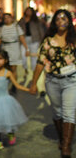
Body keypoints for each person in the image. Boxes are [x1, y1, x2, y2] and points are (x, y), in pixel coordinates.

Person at [30, 9, 76, 158]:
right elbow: (40, 63)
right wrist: (33, 83)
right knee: (57, 112)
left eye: (63, 19)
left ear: (69, 21)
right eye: (57, 20)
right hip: (52, 81)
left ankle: (66, 146)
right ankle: (62, 138)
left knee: (69, 114)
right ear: (54, 23)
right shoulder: (48, 42)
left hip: (72, 81)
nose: (61, 22)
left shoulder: (74, 40)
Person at [0, 13, 29, 82]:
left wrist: (27, 48)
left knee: (13, 68)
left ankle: (14, 85)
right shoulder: (1, 29)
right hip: (5, 49)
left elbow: (21, 38)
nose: (7, 19)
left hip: (15, 48)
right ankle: (8, 81)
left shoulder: (16, 27)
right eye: (5, 18)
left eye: (8, 17)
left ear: (11, 18)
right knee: (6, 67)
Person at [18, 7, 46, 88]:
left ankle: (34, 74)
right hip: (24, 40)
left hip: (34, 40)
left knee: (34, 58)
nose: (28, 12)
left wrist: (42, 42)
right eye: (27, 10)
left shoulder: (36, 20)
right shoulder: (22, 20)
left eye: (30, 11)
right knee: (23, 56)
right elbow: (18, 30)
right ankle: (26, 70)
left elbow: (41, 31)